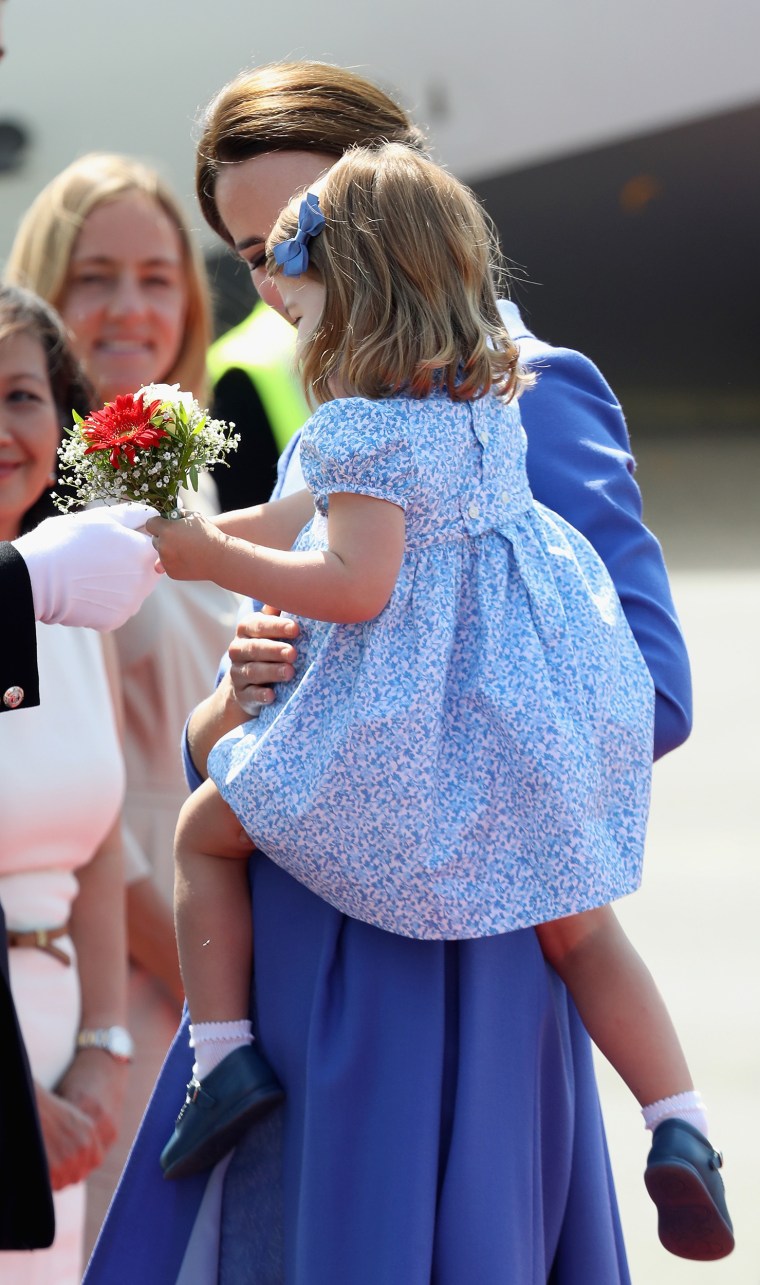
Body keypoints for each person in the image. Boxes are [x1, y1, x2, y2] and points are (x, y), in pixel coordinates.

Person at [85, 63, 694, 1285]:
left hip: (449, 957)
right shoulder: (335, 405)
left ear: (397, 194)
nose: (278, 278)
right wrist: (240, 689)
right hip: (281, 952)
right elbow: (233, 720)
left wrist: (405, 724)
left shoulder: (529, 389)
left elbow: (652, 691)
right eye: (251, 252)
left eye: (298, 232)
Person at [4, 152, 242, 1249]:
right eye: (95, 276)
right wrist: (205, 974)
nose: (131, 308)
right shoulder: (48, 504)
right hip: (140, 951)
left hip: (202, 950)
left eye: (158, 276)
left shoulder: (178, 473)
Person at [0, 282, 134, 1282]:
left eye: (21, 396)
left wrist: (101, 1050)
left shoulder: (77, 595)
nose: (4, 429)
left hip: (66, 1077)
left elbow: (100, 855)